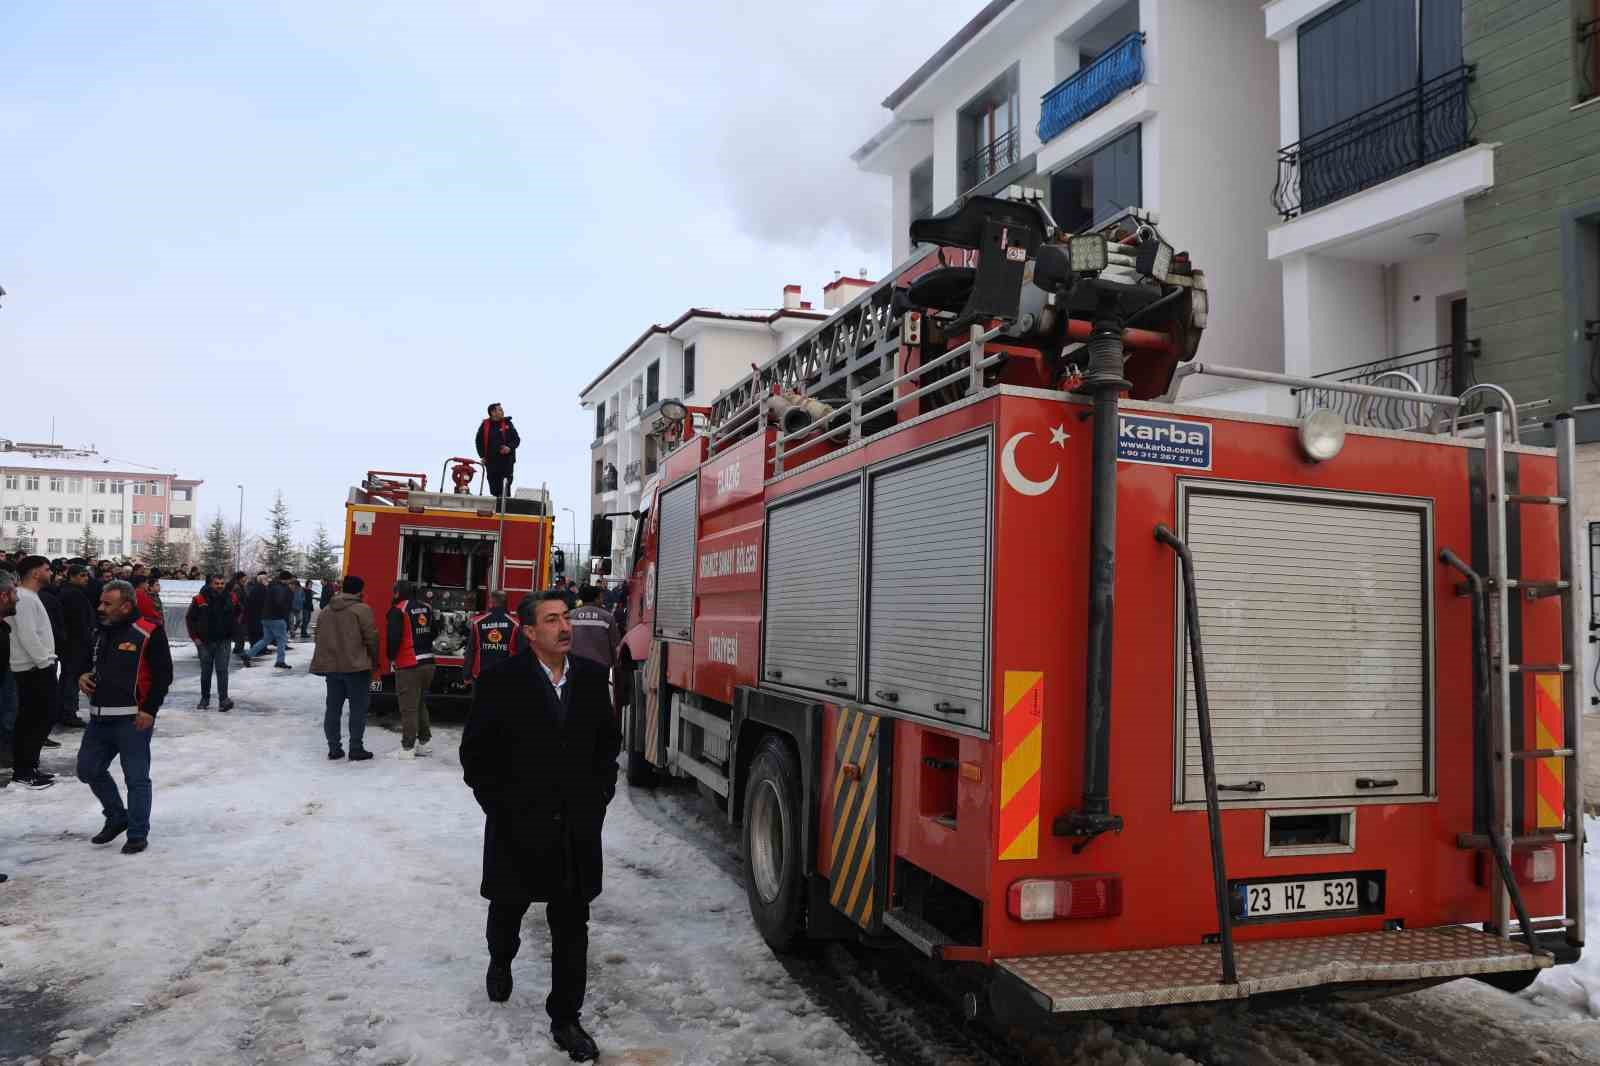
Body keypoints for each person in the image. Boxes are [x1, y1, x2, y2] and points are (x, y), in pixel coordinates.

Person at [459, 591, 619, 1062]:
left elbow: (607, 747)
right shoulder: (500, 681)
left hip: (575, 827)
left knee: (572, 924)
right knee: (508, 905)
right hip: (517, 824)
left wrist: (598, 800)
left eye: (565, 617)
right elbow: (476, 757)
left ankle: (566, 1017)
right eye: (552, 620)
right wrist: (501, 807)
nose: (564, 626)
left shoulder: (591, 679)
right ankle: (500, 958)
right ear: (529, 633)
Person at [77, 580, 172, 854]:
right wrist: (80, 676)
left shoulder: (148, 631)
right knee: (87, 770)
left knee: (137, 779)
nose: (100, 607)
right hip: (98, 718)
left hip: (133, 720)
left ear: (126, 605)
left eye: (108, 604)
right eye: (101, 602)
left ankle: (138, 832)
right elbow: (83, 662)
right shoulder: (97, 631)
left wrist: (149, 710)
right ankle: (117, 815)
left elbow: (163, 675)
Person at [310, 575, 379, 761]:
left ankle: (334, 748)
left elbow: (318, 637)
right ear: (360, 591)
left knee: (332, 708)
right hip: (356, 667)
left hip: (332, 668)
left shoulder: (326, 610)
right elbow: (371, 638)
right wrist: (375, 660)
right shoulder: (362, 610)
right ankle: (356, 748)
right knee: (358, 709)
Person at [9, 556, 60, 789]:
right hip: (32, 668)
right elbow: (27, 635)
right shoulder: (24, 598)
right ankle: (24, 770)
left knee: (37, 718)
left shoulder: (30, 597)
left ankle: (30, 766)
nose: (51, 573)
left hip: (36, 665)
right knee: (35, 720)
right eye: (47, 569)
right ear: (35, 573)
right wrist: (44, 663)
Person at [386, 580, 436, 757]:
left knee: (408, 707)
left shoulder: (398, 610)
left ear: (397, 593)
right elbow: (435, 631)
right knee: (420, 702)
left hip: (409, 664)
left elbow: (393, 638)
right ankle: (424, 742)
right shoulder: (426, 608)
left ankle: (407, 747)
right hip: (428, 662)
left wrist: (391, 657)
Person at [185, 575, 238, 711]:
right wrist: (195, 638)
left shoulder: (231, 597)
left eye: (222, 583)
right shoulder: (199, 599)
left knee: (222, 671)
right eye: (217, 583)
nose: (220, 585)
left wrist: (233, 629)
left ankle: (223, 700)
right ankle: (204, 699)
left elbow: (239, 612)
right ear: (210, 584)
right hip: (204, 642)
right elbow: (190, 619)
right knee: (206, 672)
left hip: (223, 641)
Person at [56, 564, 95, 730]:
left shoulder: (74, 592)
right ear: (71, 576)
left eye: (86, 576)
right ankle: (67, 712)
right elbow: (78, 622)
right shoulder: (72, 594)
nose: (86, 579)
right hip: (74, 644)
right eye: (82, 576)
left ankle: (66, 710)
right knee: (71, 678)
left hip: (73, 643)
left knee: (69, 677)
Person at [465, 590, 520, 681]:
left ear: (491, 602)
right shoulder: (516, 624)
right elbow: (522, 652)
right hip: (506, 676)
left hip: (481, 675)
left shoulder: (477, 622)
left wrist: (467, 675)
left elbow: (471, 650)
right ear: (506, 603)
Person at [245, 571, 295, 670]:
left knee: (266, 639)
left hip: (266, 617)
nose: (290, 582)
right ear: (286, 579)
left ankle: (248, 655)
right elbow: (279, 602)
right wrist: (285, 610)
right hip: (276, 618)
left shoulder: (272, 585)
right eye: (290, 580)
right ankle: (280, 661)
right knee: (282, 640)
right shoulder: (280, 588)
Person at [568, 586, 619, 674]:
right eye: (601, 597)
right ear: (596, 599)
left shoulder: (571, 615)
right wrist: (615, 663)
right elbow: (614, 643)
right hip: (600, 667)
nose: (602, 600)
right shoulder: (607, 617)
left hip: (574, 666)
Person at [474, 402, 521, 498]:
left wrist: (509, 448)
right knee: (494, 486)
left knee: (505, 485)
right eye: (500, 410)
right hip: (491, 462)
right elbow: (478, 441)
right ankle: (496, 502)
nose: (502, 411)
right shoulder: (485, 425)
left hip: (506, 461)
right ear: (492, 412)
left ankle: (505, 503)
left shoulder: (508, 424)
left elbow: (516, 439)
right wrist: (482, 456)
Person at [241, 572, 267, 657]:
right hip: (258, 614)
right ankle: (259, 650)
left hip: (252, 615)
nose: (267, 580)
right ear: (262, 580)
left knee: (255, 633)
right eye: (265, 579)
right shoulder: (262, 589)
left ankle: (256, 648)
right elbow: (264, 603)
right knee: (259, 633)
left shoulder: (255, 588)